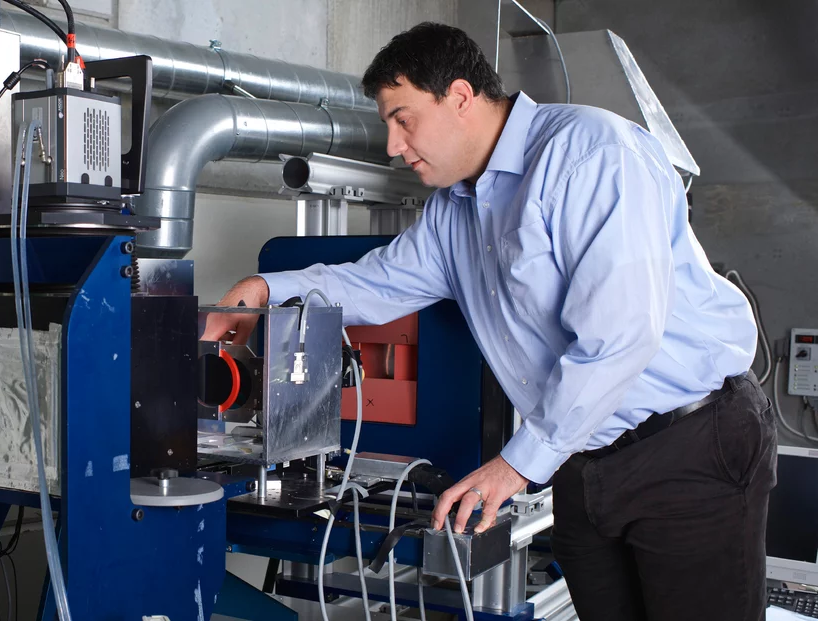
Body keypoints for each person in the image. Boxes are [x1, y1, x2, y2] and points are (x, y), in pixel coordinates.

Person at [202, 21, 777, 621]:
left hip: (690, 446)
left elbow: (619, 336)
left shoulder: (588, 155)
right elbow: (376, 282)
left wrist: (514, 467)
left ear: (458, 96)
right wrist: (266, 288)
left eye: (403, 118)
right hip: (586, 456)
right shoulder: (454, 209)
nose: (394, 145)